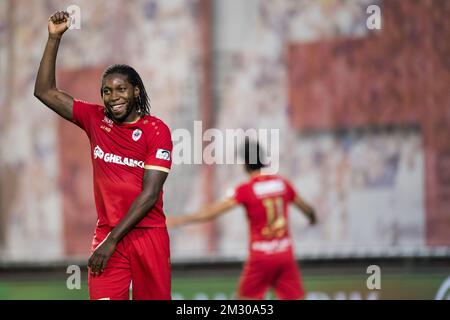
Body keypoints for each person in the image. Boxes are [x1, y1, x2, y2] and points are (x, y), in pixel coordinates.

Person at [34, 11, 173, 300]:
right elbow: (45, 91)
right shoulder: (95, 119)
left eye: (121, 89)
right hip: (108, 235)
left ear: (136, 91)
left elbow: (149, 195)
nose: (113, 96)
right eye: (106, 91)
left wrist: (111, 240)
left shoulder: (156, 130)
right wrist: (53, 38)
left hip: (147, 235)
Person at [168, 139, 317, 300]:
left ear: (245, 163)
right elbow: (307, 209)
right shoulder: (282, 184)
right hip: (284, 254)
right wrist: (312, 219)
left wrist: (180, 219)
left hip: (261, 257)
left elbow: (212, 212)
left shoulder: (245, 190)